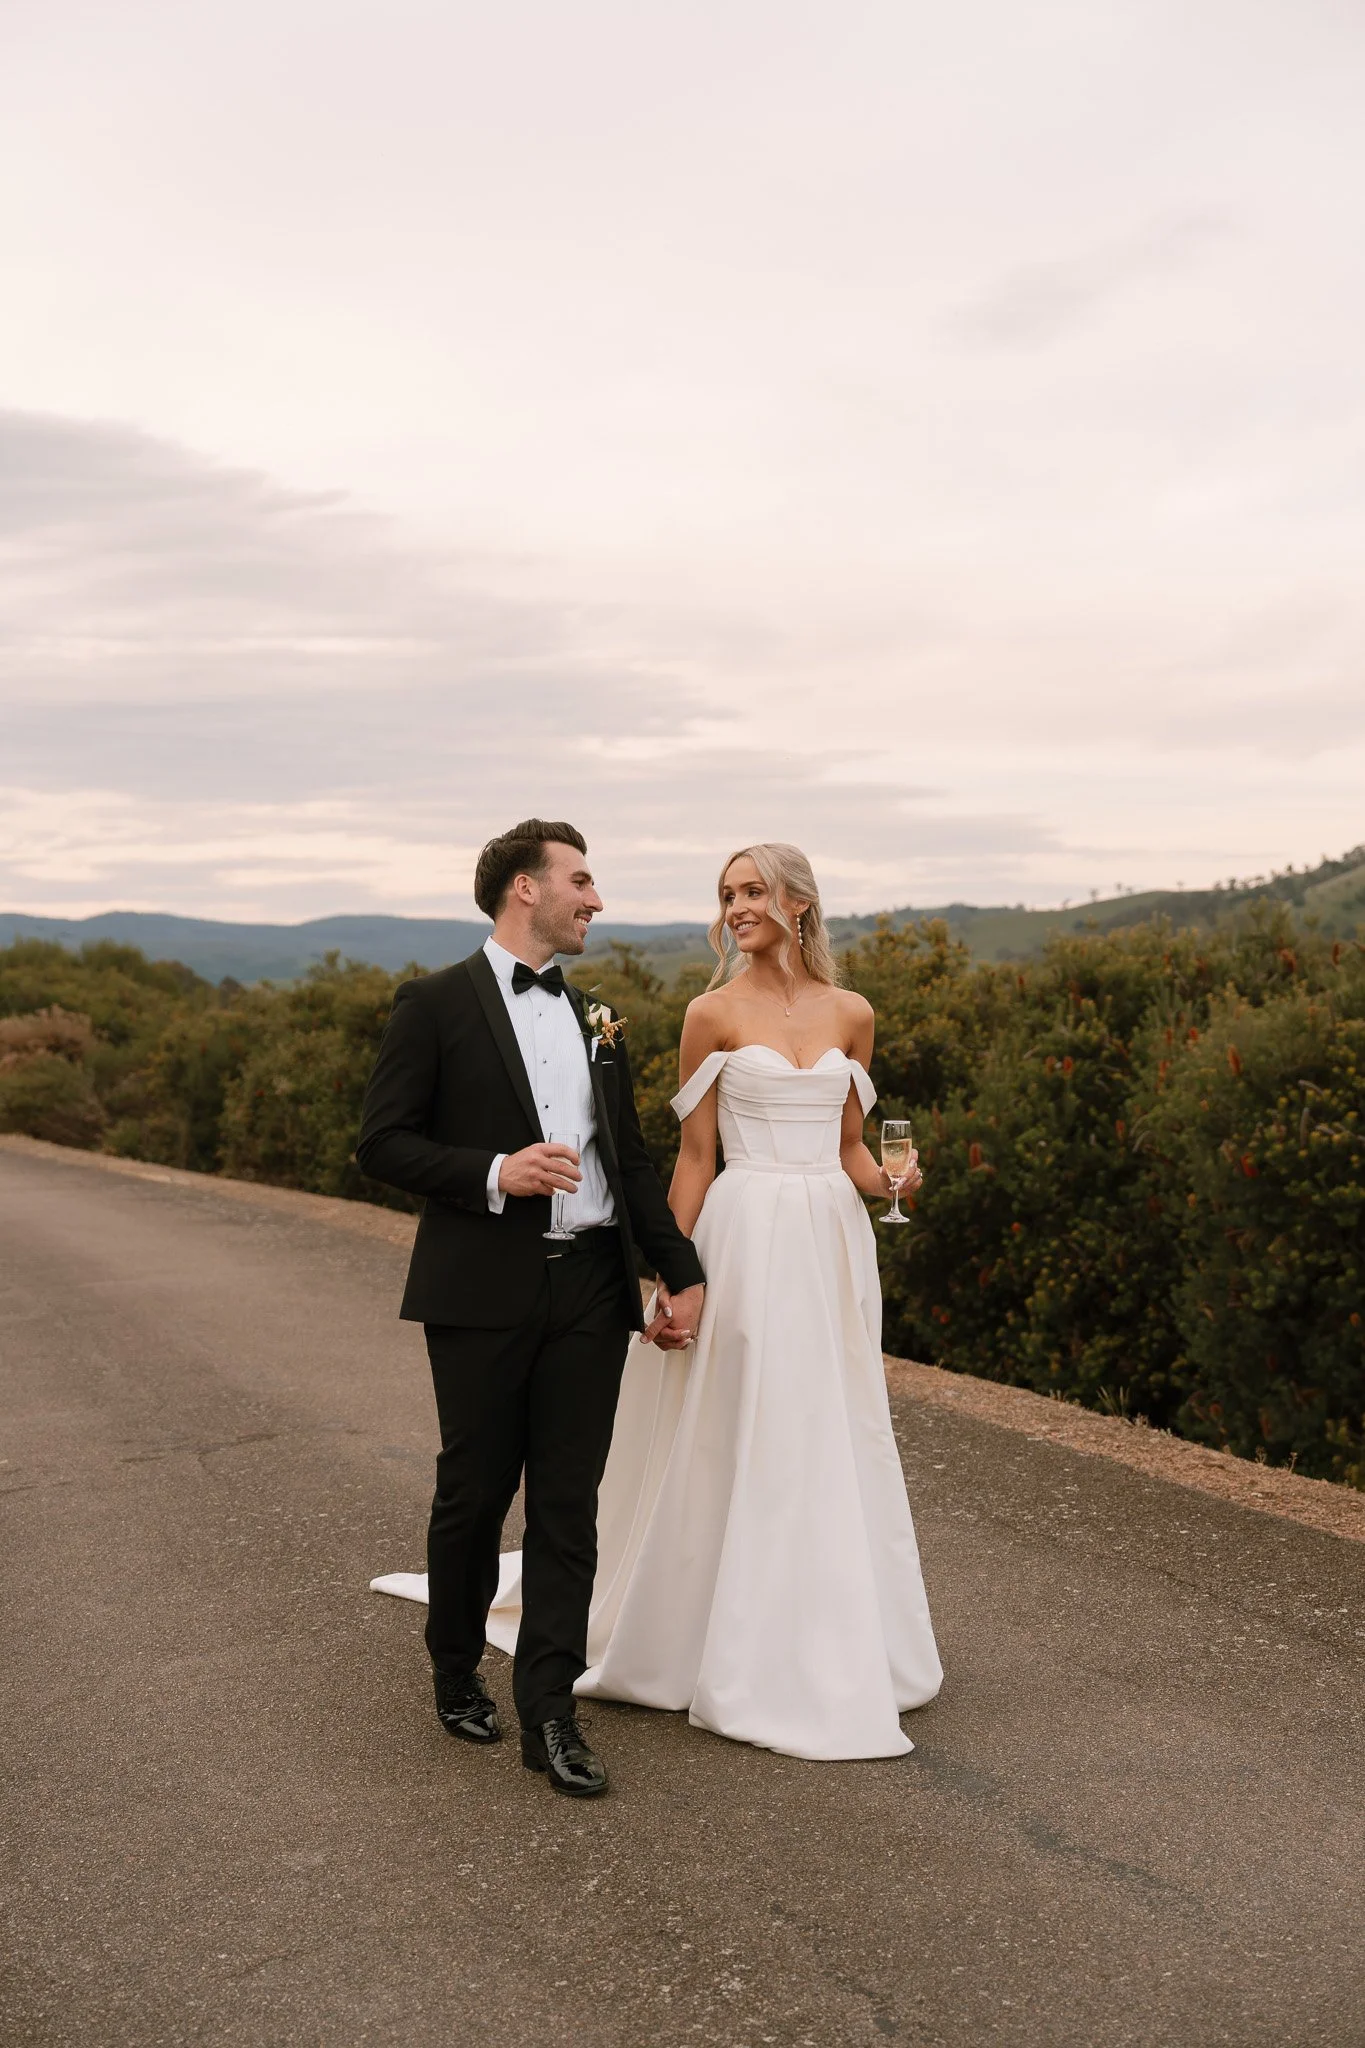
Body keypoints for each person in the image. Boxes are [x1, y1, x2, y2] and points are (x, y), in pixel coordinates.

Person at [472, 840, 944, 1760]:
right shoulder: (709, 1013)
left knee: (830, 1424)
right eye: (727, 894)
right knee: (743, 1423)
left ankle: (835, 1634)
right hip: (745, 1233)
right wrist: (664, 1275)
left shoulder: (853, 1013)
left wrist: (896, 1184)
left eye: (753, 891)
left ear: (798, 902)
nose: (736, 908)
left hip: (832, 1241)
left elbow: (852, 1148)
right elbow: (694, 1158)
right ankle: (715, 1637)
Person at [357, 819, 705, 1798]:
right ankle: (454, 1664)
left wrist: (679, 1268)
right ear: (525, 887)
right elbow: (382, 1143)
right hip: (481, 1286)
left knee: (566, 1504)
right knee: (474, 1492)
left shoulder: (600, 1019)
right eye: (580, 881)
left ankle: (551, 1711)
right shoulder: (432, 1004)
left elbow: (627, 1160)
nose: (596, 899)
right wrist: (494, 1172)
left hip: (591, 1286)